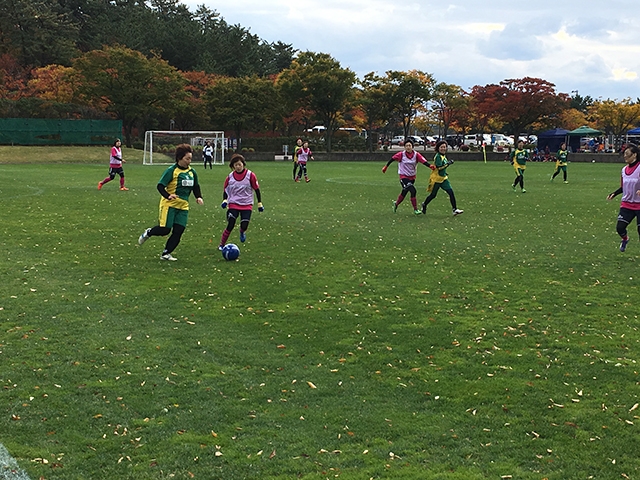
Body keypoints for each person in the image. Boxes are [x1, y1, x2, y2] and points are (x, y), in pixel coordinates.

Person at [137, 144, 204, 261]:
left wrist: (198, 197)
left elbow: (196, 186)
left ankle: (166, 253)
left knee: (179, 230)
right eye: (187, 158)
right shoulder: (171, 171)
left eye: (190, 158)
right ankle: (149, 232)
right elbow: (160, 186)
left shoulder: (192, 172)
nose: (189, 161)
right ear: (179, 158)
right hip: (169, 205)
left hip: (183, 206)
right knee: (165, 229)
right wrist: (168, 196)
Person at [218, 153, 263, 249]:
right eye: (236, 165)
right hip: (233, 203)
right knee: (230, 223)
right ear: (233, 166)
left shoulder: (250, 175)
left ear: (243, 164)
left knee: (244, 225)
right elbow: (226, 190)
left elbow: (257, 189)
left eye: (239, 164)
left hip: (246, 204)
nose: (238, 167)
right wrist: (225, 200)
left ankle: (242, 231)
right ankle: (221, 244)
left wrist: (259, 203)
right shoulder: (230, 177)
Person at [382, 139, 435, 215]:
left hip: (412, 177)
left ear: (412, 147)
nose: (408, 147)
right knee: (413, 190)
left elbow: (424, 162)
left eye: (409, 145)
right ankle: (415, 209)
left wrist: (430, 166)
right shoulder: (401, 154)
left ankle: (396, 204)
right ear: (404, 147)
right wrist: (386, 166)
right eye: (406, 146)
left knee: (404, 192)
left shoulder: (416, 155)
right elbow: (392, 159)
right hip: (403, 176)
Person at [606, 143, 640, 252]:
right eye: (624, 154)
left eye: (627, 154)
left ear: (634, 155)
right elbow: (623, 187)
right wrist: (614, 193)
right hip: (627, 204)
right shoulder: (623, 170)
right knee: (620, 228)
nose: (625, 156)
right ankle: (625, 239)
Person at [421, 140, 463, 216]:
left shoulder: (443, 156)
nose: (443, 148)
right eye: (441, 147)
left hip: (443, 178)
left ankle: (454, 209)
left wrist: (445, 172)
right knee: (433, 195)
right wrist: (448, 164)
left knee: (451, 192)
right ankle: (424, 204)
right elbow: (439, 167)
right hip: (437, 179)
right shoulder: (437, 156)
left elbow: (442, 168)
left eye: (444, 147)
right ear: (438, 148)